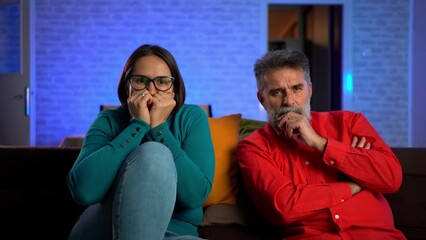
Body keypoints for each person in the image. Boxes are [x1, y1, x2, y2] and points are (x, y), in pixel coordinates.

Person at [237, 48, 406, 240]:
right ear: (262, 99)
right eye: (277, 92)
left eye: (297, 88)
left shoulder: (349, 123)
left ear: (310, 89)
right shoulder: (253, 147)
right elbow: (283, 207)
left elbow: (391, 178)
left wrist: (320, 143)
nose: (289, 101)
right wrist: (354, 184)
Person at [67, 44, 215, 240]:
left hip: (174, 233)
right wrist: (138, 125)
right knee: (154, 152)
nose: (151, 90)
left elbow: (194, 196)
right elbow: (84, 191)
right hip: (108, 227)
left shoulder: (192, 117)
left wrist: (159, 128)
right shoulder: (108, 120)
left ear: (174, 88)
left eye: (162, 81)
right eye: (140, 81)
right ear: (126, 86)